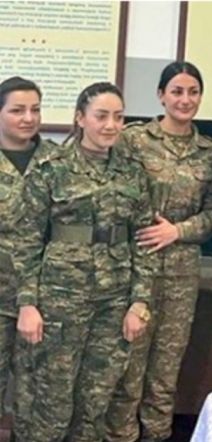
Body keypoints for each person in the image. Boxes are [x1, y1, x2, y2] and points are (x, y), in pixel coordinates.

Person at [14, 82, 155, 442]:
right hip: (60, 302)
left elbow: (144, 240)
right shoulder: (50, 168)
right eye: (101, 116)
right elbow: (27, 240)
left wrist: (139, 301)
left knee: (95, 406)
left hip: (113, 303)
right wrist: (27, 304)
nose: (111, 125)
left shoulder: (133, 172)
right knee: (52, 406)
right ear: (80, 118)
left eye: (118, 117)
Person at [105, 62, 212, 442]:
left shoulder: (210, 152)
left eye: (193, 92)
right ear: (161, 95)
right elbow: (111, 192)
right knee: (127, 373)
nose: (185, 100)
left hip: (181, 276)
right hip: (133, 269)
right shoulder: (134, 140)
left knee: (164, 376)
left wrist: (178, 231)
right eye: (176, 91)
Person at [0, 76, 57, 426]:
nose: (28, 118)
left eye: (35, 109)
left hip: (42, 299)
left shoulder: (57, 160)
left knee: (34, 398)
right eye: (17, 110)